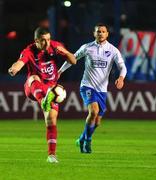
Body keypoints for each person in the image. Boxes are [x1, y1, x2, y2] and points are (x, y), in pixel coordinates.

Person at [8, 27, 77, 163]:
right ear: (36, 41)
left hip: (50, 89)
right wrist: (14, 68)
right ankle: (43, 100)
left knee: (51, 121)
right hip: (33, 88)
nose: (47, 43)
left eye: (48, 39)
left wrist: (64, 52)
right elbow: (19, 63)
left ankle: (51, 155)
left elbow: (73, 60)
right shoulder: (29, 51)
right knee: (34, 77)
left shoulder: (55, 46)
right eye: (43, 40)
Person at [58, 23, 127, 153]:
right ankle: (87, 142)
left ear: (107, 34)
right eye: (98, 31)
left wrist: (121, 78)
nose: (100, 33)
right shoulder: (87, 47)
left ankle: (82, 138)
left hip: (102, 89)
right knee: (93, 112)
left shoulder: (113, 50)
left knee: (97, 122)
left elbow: (122, 67)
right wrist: (60, 71)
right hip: (87, 86)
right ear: (94, 33)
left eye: (103, 31)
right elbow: (72, 58)